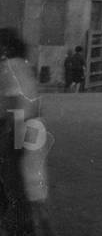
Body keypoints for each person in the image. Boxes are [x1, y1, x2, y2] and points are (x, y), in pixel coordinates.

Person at [0, 27, 53, 236]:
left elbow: (14, 101)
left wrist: (10, 135)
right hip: (33, 125)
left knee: (14, 181)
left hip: (17, 126)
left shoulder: (9, 66)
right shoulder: (23, 64)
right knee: (32, 180)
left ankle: (21, 227)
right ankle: (40, 225)